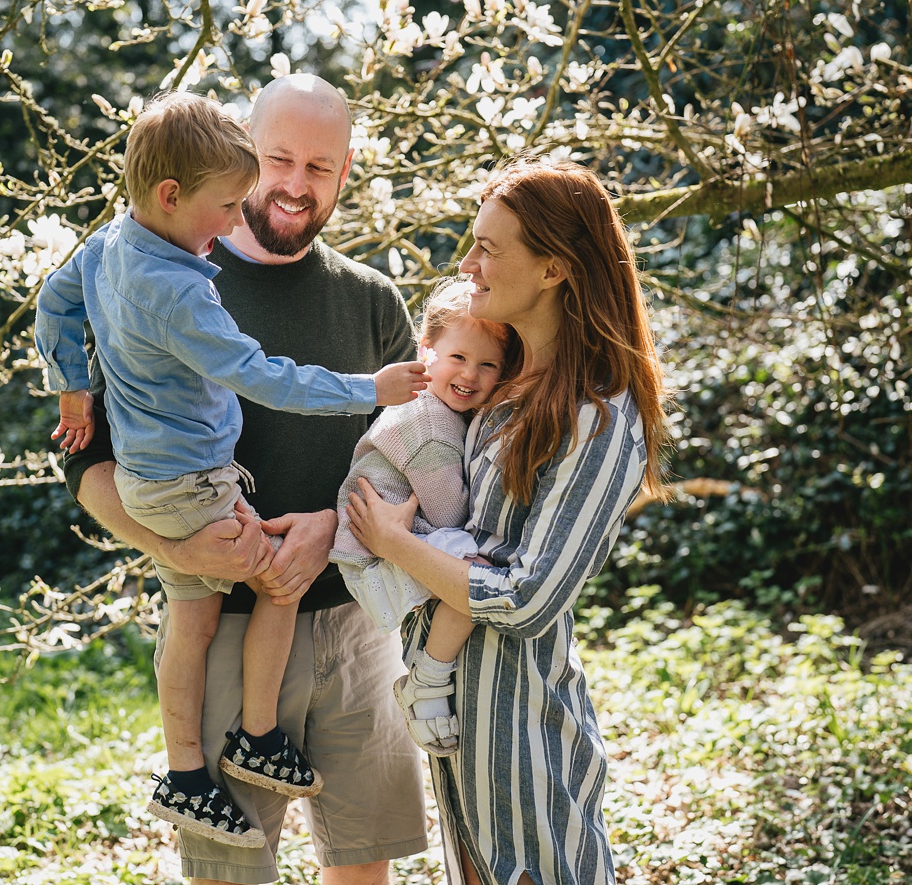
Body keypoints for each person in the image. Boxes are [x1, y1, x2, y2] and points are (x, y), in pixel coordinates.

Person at [35, 89, 430, 849]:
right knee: (230, 871)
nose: (293, 183)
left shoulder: (373, 299)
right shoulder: (168, 274)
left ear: (346, 170)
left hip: (358, 625)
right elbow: (83, 458)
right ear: (243, 155)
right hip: (222, 631)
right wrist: (176, 549)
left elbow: (418, 450)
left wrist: (334, 523)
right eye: (278, 158)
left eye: (319, 165)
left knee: (366, 858)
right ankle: (209, 762)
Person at [345, 157, 668, 885]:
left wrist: (393, 541)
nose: (469, 263)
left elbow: (526, 596)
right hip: (454, 711)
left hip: (523, 731)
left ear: (554, 268)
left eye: (489, 247)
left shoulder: (599, 414)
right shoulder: (493, 380)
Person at [326, 278, 519, 758]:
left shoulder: (435, 410)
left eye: (487, 365)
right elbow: (449, 510)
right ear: (425, 350)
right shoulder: (430, 423)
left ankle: (429, 676)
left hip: (380, 547)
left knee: (471, 576)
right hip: (375, 555)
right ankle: (428, 682)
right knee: (477, 577)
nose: (470, 375)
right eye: (457, 358)